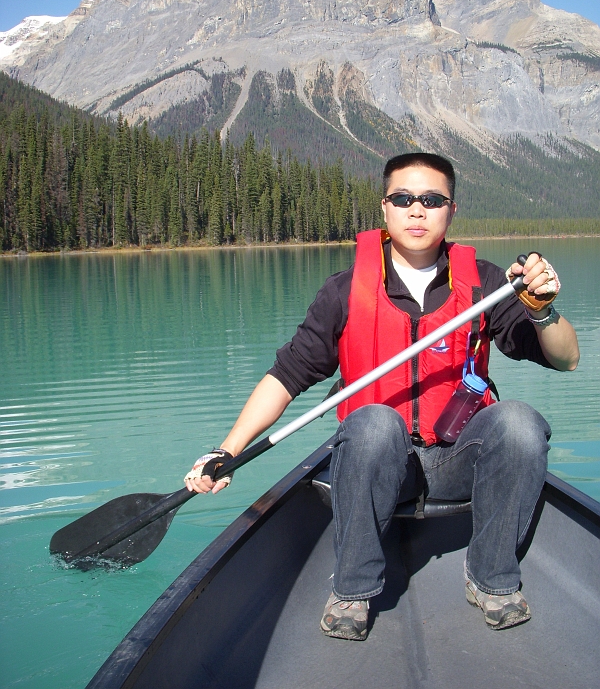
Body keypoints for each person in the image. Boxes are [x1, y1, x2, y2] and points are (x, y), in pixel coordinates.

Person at [184, 153, 580, 641]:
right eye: (403, 198)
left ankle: (492, 578)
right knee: (371, 423)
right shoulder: (345, 291)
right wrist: (229, 450)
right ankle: (353, 589)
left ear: (451, 211)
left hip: (458, 459)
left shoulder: (487, 284)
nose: (417, 210)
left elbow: (566, 360)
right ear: (385, 209)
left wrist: (541, 310)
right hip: (377, 466)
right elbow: (286, 377)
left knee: (520, 422)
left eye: (432, 200)